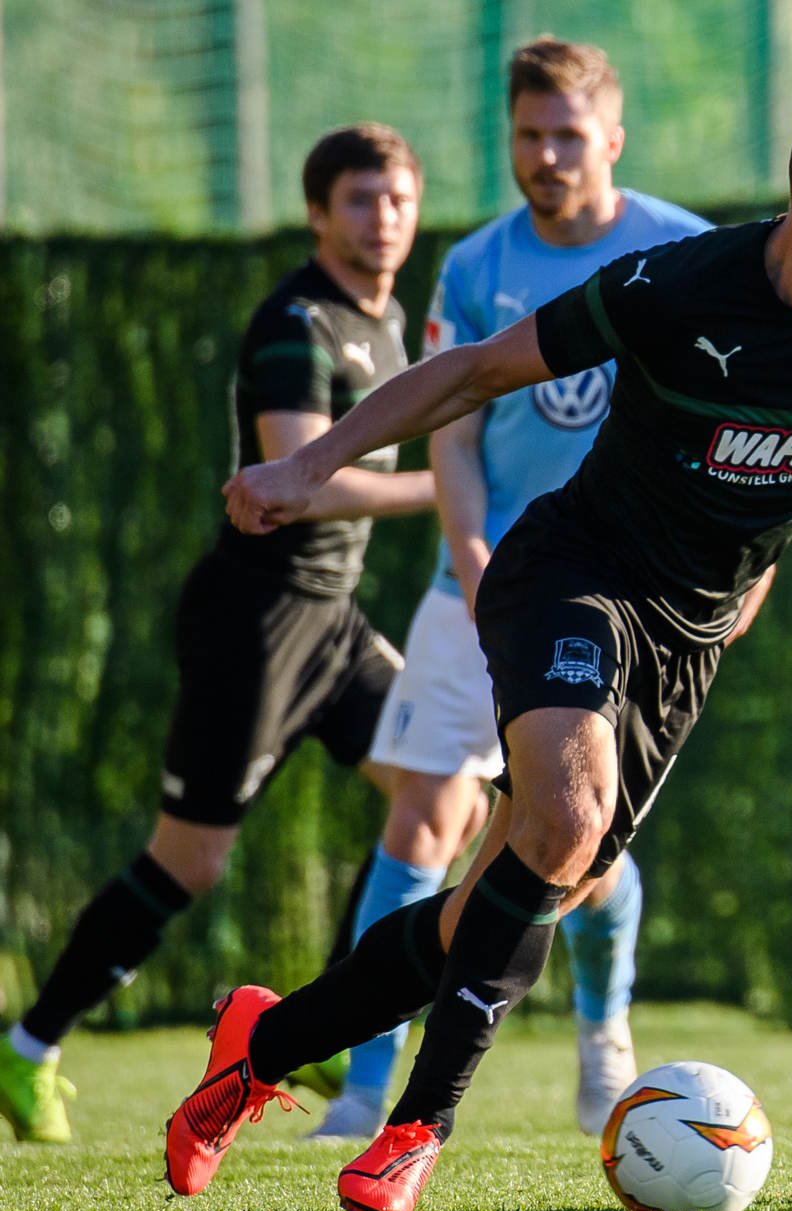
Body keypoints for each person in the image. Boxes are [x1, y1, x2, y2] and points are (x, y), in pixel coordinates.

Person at [165, 85, 792, 1211]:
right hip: (571, 572)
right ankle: (414, 1130)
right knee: (566, 822)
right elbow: (471, 371)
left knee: (502, 900)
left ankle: (260, 1045)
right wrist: (306, 468)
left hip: (689, 636)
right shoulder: (676, 285)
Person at [0, 124, 463, 1144]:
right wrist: (450, 487)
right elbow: (298, 473)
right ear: (316, 213)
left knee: (442, 791)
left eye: (397, 199)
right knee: (191, 860)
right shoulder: (297, 319)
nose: (381, 218)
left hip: (335, 624)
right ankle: (29, 1043)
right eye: (357, 199)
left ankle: (335, 1022)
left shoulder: (392, 328)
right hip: (256, 620)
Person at [307, 37, 718, 1145]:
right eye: (528, 135)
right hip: (475, 587)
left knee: (576, 842)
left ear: (613, 141)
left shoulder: (684, 250)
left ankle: (603, 1035)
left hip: (627, 598)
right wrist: (475, 553)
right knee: (425, 818)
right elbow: (455, 424)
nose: (545, 155)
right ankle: (359, 1085)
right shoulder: (476, 266)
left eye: (567, 135)